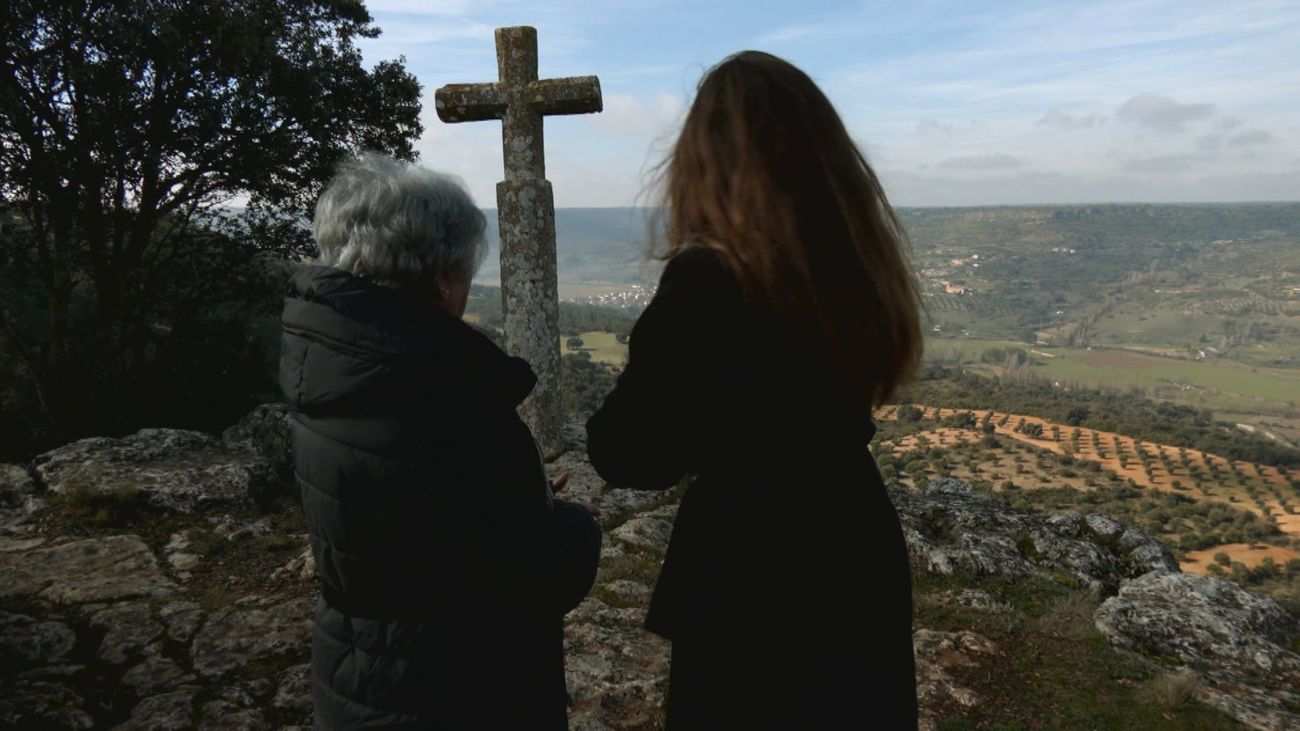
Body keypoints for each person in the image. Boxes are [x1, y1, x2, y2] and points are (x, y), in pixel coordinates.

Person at [585, 51, 923, 729]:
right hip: (854, 541)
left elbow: (630, 451)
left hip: (748, 565)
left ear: (703, 165)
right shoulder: (856, 268)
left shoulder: (708, 282)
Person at [279, 151, 602, 729]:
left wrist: (517, 500)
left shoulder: (324, 377)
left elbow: (398, 521)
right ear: (442, 278)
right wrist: (572, 521)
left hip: (355, 677)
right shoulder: (454, 404)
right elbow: (535, 575)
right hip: (463, 687)